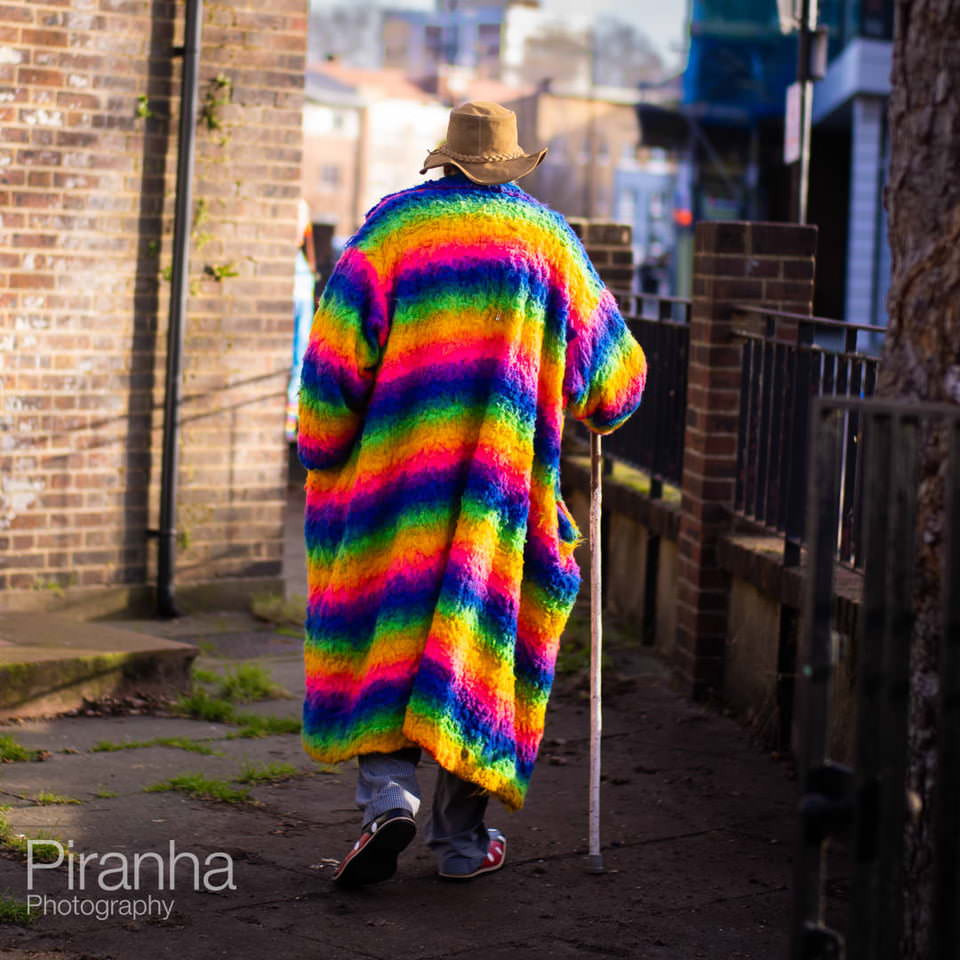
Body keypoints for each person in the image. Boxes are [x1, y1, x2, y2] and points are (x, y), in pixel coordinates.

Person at [296, 101, 647, 887]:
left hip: (392, 495)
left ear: (444, 162)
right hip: (500, 502)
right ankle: (461, 844)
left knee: (386, 634)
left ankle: (387, 797)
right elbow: (618, 385)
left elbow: (327, 382)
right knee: (478, 648)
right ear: (511, 165)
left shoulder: (387, 238)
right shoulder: (549, 243)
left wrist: (324, 452)